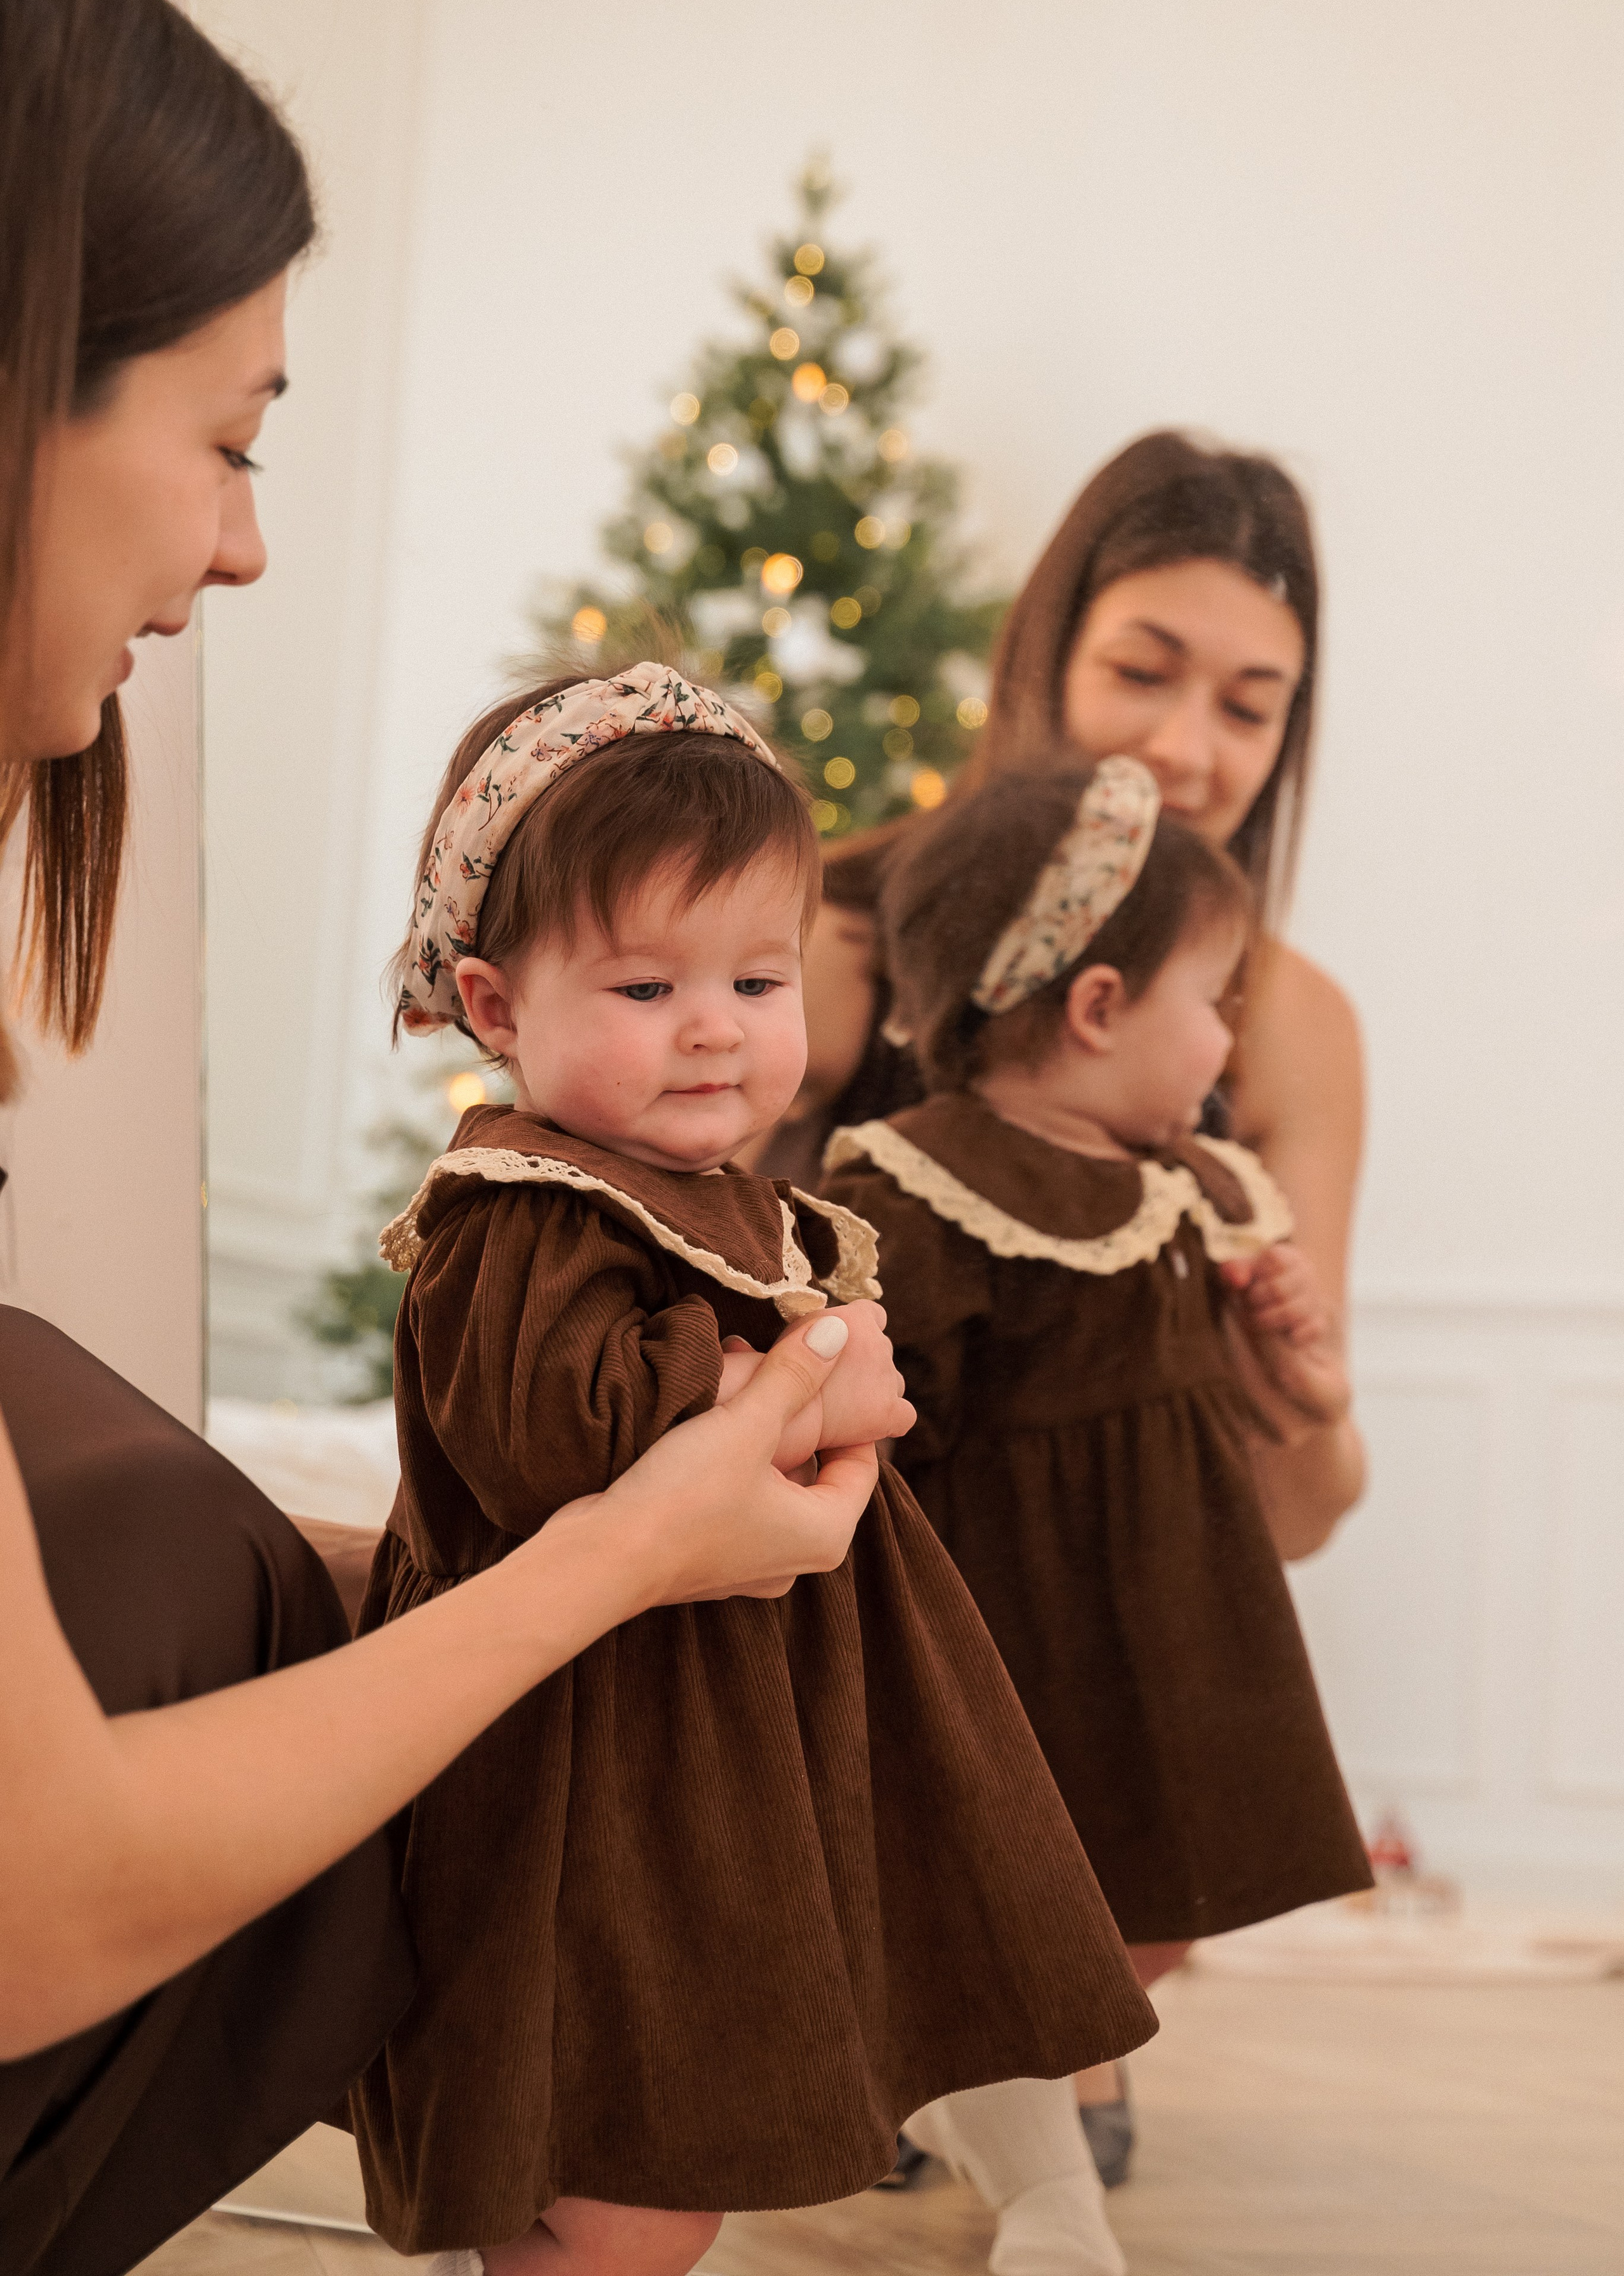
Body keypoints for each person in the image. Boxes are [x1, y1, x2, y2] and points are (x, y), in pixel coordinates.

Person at [0, 0, 878, 2276]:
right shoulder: (522, 1215)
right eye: (222, 439)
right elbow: (40, 1896)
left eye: (760, 976)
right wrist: (648, 1523)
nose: (248, 539)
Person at [349, 662, 1158, 2275]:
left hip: (726, 1739)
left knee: (709, 2108)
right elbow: (552, 1433)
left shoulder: (723, 1189)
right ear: (499, 1009)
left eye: (758, 980)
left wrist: (833, 1368)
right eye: (646, 990)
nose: (715, 1027)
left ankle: (1034, 2187)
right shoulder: (527, 1202)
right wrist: (783, 1377)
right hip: (594, 1767)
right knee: (610, 2143)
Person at [771, 429, 1370, 2187]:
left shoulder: (1281, 1025)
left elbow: (1310, 1511)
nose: (1191, 750)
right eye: (1143, 671)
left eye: (1252, 704)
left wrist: (1295, 1391)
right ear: (1042, 658)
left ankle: (1037, 2004)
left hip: (1092, 1623)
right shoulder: (831, 934)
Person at [823, 753, 1372, 1977]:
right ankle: (986, 2090)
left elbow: (1257, 1408)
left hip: (1177, 1632)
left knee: (1168, 1902)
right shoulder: (923, 1189)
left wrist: (1283, 1344)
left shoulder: (1196, 1188)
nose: (1229, 1041)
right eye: (1215, 1004)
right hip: (1025, 1637)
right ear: (1100, 1010)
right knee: (1011, 1907)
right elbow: (870, 1425)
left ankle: (1024, 2093)